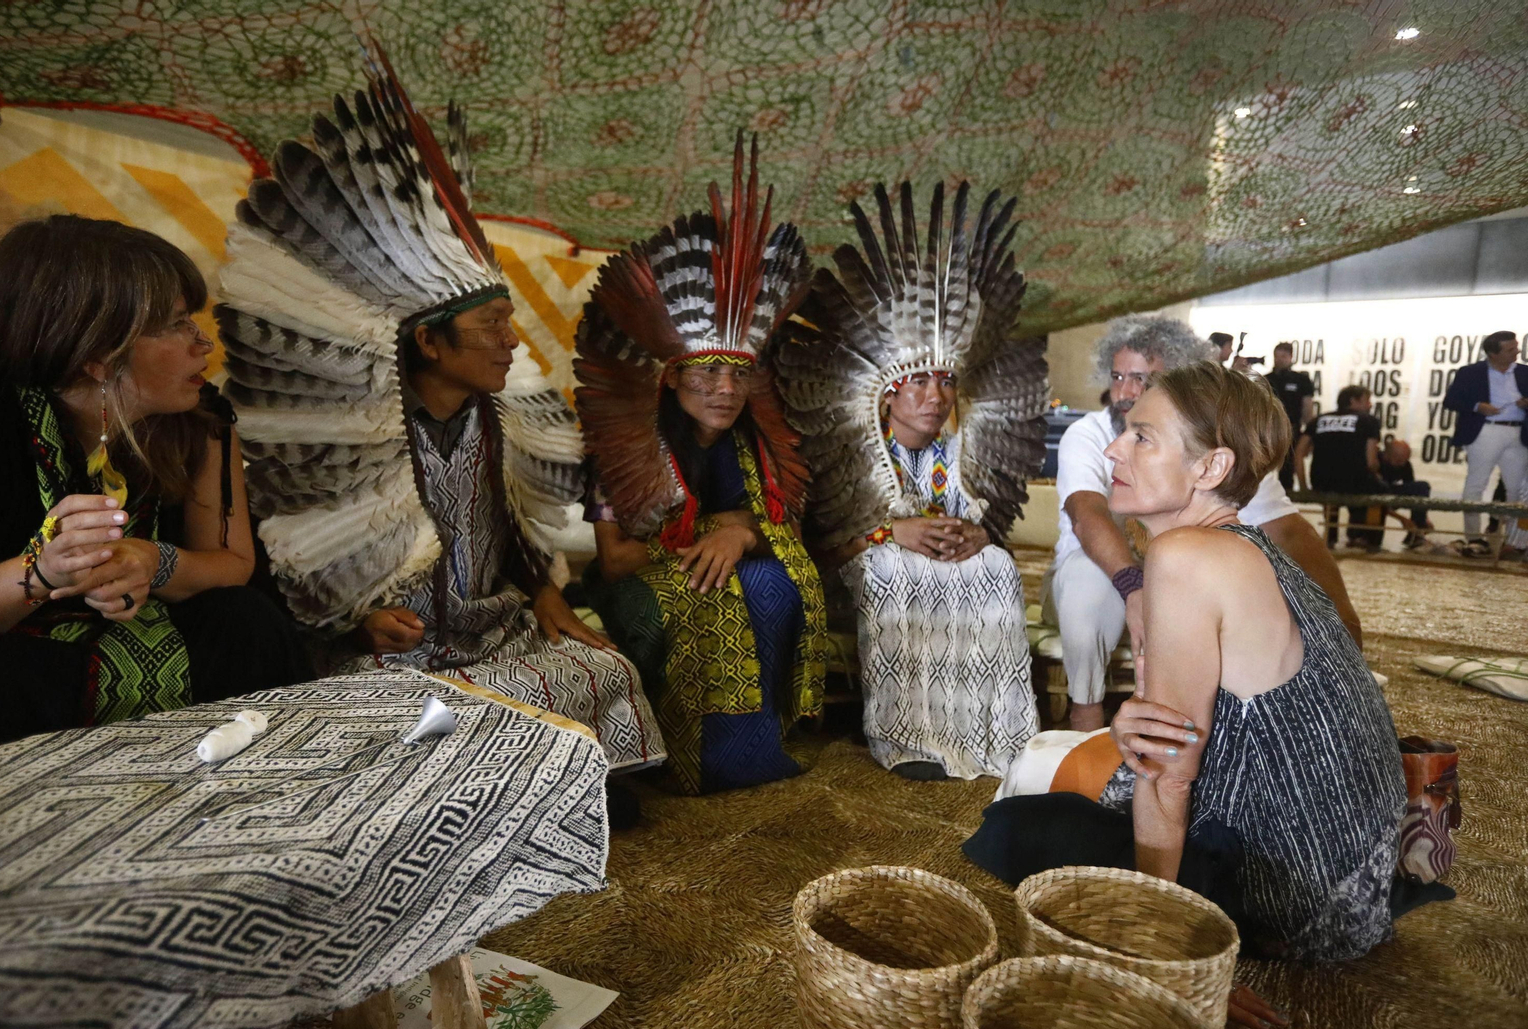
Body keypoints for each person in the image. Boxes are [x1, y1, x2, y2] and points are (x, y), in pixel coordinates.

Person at [218, 57, 664, 786]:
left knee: (601, 666)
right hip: (393, 650)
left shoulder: (503, 421)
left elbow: (519, 536)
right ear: (429, 341)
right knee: (429, 708)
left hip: (495, 633)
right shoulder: (353, 425)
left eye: (510, 321)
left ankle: (541, 785)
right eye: (492, 324)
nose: (513, 341)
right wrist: (352, 619)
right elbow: (291, 549)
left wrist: (545, 592)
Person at [966, 361, 1446, 1027]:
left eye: (1142, 438)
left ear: (1211, 467)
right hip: (1358, 878)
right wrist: (1135, 719)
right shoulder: (1247, 544)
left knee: (1017, 826)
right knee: (1093, 770)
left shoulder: (1184, 558)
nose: (1113, 449)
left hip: (1301, 900)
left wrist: (1160, 947)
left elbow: (1170, 777)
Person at [0, 215, 312, 757]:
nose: (203, 343)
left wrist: (153, 561)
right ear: (97, 354)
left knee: (244, 619)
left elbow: (232, 563)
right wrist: (40, 573)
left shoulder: (201, 420)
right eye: (176, 324)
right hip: (11, 652)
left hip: (142, 632)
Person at [575, 135, 826, 795]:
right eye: (708, 370)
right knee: (704, 596)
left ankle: (758, 745)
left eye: (738, 374)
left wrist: (738, 532)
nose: (724, 388)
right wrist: (714, 535)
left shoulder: (754, 438)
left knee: (775, 583)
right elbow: (617, 558)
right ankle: (683, 756)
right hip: (639, 580)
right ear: (672, 375)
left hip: (719, 556)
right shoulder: (627, 438)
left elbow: (784, 525)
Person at [777, 180, 1045, 781]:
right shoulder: (853, 449)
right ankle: (908, 736)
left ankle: (992, 733)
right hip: (867, 565)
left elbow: (984, 525)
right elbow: (817, 545)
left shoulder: (959, 455)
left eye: (945, 383)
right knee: (895, 568)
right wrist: (888, 536)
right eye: (918, 383)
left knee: (997, 567)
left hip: (946, 564)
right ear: (889, 392)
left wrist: (981, 538)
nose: (934, 397)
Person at [1044, 314, 1360, 732]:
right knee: (1094, 577)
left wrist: (1345, 634)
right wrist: (1134, 588)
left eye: (1143, 379)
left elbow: (1287, 532)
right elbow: (1087, 515)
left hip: (1180, 584)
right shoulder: (1089, 435)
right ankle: (1085, 712)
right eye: (1117, 376)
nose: (1124, 391)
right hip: (1100, 577)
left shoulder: (1218, 458)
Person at [1442, 330, 1528, 558]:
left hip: (1518, 432)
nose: (1517, 351)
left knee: (1517, 488)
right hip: (1485, 430)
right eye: (1510, 349)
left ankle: (1513, 540)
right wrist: (1478, 406)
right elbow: (1451, 400)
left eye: (1516, 346)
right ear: (1492, 353)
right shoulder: (1471, 372)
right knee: (1476, 483)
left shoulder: (1524, 373)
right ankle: (1473, 538)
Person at [1296, 385, 1385, 549]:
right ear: (1353, 401)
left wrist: (1303, 486)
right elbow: (1371, 461)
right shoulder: (1368, 421)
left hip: (1322, 482)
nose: (1370, 405)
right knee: (1380, 490)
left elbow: (1299, 453)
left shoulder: (1318, 420)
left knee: (1333, 493)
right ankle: (1367, 538)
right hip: (1355, 483)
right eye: (1367, 400)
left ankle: (1330, 535)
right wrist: (1377, 475)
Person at [1265, 341, 1315, 492]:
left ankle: (1286, 500)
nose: (1279, 359)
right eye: (1277, 356)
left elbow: (1307, 409)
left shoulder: (1301, 380)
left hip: (1291, 428)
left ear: (1291, 357)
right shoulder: (1266, 379)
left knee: (1287, 470)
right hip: (1268, 428)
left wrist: (1310, 434)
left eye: (1283, 356)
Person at [1378, 439, 1433, 548]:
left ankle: (1416, 533)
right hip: (1375, 497)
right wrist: (1401, 519)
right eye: (1398, 461)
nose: (1402, 464)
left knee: (1421, 487)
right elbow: (1375, 498)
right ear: (1387, 455)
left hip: (1390, 494)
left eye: (1404, 460)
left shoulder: (1405, 465)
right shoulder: (1376, 462)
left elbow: (1415, 494)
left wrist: (1424, 518)